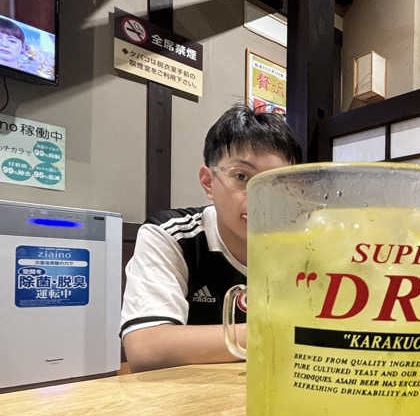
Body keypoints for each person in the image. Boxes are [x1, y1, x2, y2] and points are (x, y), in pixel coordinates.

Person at [121, 106, 302, 372]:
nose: (261, 197)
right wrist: (286, 335)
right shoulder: (172, 235)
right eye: (241, 177)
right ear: (208, 182)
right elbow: (146, 346)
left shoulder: (306, 245)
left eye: (276, 182)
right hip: (188, 399)